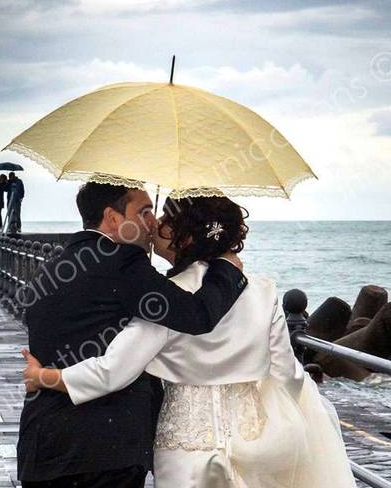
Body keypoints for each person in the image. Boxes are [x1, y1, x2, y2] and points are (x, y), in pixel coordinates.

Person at [22, 195, 355, 488]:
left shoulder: (166, 299)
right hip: (254, 437)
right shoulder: (263, 289)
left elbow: (113, 370)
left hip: (184, 442)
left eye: (164, 220)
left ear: (186, 235)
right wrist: (287, 423)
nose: (154, 228)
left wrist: (45, 377)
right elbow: (287, 373)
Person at [16, 181, 249, 488]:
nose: (154, 223)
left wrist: (43, 375)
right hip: (104, 452)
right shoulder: (123, 262)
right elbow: (197, 314)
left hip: (43, 447)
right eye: (145, 212)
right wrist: (228, 268)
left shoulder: (54, 268)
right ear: (113, 218)